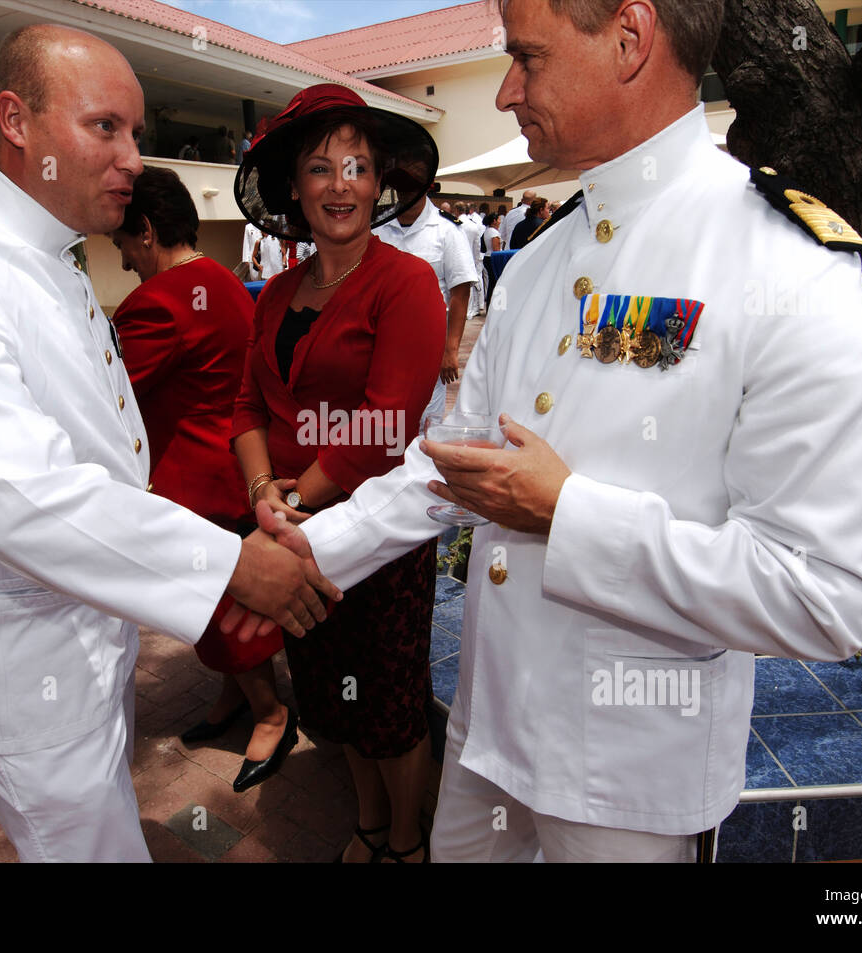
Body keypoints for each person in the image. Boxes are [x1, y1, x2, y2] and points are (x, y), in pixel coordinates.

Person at [250, 0, 862, 862]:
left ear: (629, 38)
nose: (507, 92)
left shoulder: (785, 263)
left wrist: (568, 513)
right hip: (489, 738)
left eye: (528, 59)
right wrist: (311, 549)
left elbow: (826, 593)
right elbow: (452, 464)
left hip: (625, 782)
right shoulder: (538, 268)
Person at [0, 24, 338, 863]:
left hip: (82, 633)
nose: (133, 158)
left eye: (135, 132)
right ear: (16, 120)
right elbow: (28, 501)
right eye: (105, 126)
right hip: (19, 668)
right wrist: (229, 564)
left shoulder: (44, 254)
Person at [232, 82, 445, 861]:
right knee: (334, 695)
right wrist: (264, 493)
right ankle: (368, 821)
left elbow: (385, 427)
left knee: (389, 705)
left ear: (379, 180)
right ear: (294, 186)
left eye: (357, 166)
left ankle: (407, 841)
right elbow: (246, 405)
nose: (340, 185)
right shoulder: (276, 293)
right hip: (289, 529)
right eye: (320, 168)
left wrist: (293, 499)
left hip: (375, 537)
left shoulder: (406, 283)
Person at [108, 166, 290, 791]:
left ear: (146, 230)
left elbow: (108, 397)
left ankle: (271, 713)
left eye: (123, 243)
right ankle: (237, 696)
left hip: (196, 480)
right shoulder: (223, 280)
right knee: (232, 599)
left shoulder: (154, 303)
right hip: (239, 466)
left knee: (219, 604)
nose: (124, 260)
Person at [373, 189, 479, 421]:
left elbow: (460, 293)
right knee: (385, 423)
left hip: (428, 349)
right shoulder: (378, 228)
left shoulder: (447, 230)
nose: (408, 187)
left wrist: (451, 350)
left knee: (425, 423)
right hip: (382, 347)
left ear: (428, 184)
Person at [479, 211, 502, 307]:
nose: (500, 221)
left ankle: (490, 304)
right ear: (494, 221)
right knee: (494, 283)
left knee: (492, 283)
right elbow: (496, 249)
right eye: (499, 219)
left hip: (488, 257)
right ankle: (493, 305)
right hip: (493, 258)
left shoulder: (488, 231)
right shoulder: (493, 232)